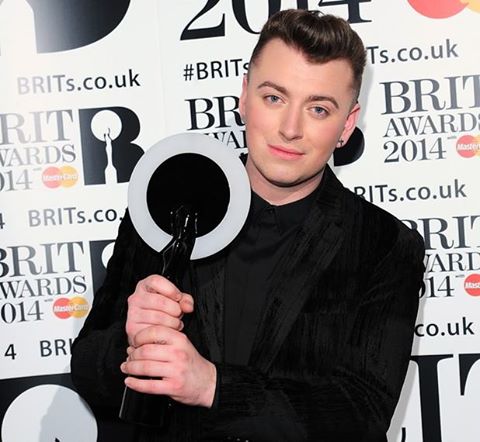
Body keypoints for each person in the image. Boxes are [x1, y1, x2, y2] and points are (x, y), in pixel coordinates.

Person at [71, 9, 425, 442]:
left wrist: (212, 386)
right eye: (274, 98)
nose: (290, 129)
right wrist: (131, 344)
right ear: (244, 97)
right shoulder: (166, 203)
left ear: (346, 125)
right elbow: (88, 372)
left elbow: (363, 415)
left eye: (318, 108)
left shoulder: (385, 245)